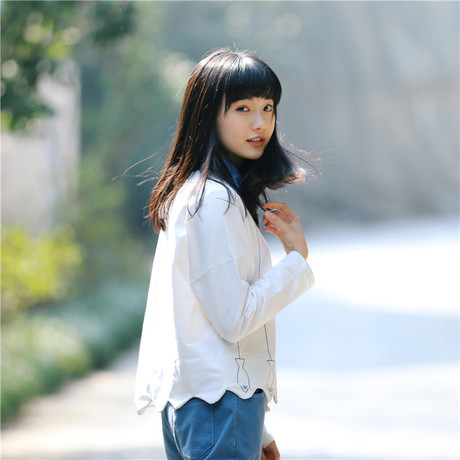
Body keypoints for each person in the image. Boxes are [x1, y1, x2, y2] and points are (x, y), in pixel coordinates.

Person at [135, 48, 315, 460]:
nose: (260, 123)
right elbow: (234, 319)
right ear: (208, 116)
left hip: (206, 405)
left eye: (268, 108)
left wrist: (257, 428)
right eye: (242, 108)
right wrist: (296, 260)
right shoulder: (212, 201)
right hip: (218, 407)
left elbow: (204, 323)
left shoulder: (200, 194)